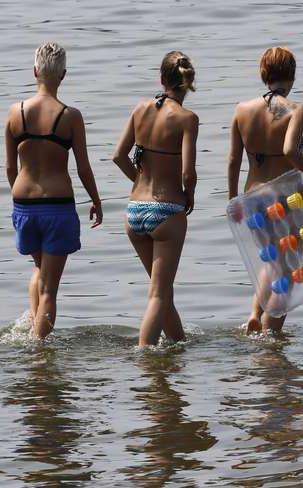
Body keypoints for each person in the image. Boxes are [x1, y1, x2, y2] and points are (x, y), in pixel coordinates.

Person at [4, 42, 102, 339]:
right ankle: (39, 353)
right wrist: (96, 200)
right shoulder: (70, 116)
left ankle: (34, 331)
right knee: (50, 288)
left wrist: (21, 199)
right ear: (63, 75)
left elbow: (10, 168)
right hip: (56, 207)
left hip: (23, 205)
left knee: (39, 271)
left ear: (35, 71)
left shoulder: (14, 112)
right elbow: (83, 167)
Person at [228, 46, 303, 335]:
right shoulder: (296, 110)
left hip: (252, 198)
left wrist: (232, 200)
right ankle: (271, 339)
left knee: (271, 259)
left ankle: (254, 315)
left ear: (264, 75)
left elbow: (234, 159)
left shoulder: (241, 110)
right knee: (288, 271)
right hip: (287, 198)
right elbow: (290, 150)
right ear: (292, 75)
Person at [112, 51, 199, 347]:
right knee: (159, 295)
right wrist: (189, 195)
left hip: (134, 210)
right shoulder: (187, 119)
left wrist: (138, 180)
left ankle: (179, 344)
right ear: (188, 84)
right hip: (166, 210)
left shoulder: (140, 109)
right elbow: (188, 172)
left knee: (163, 293)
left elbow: (117, 156)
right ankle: (145, 357)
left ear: (162, 78)